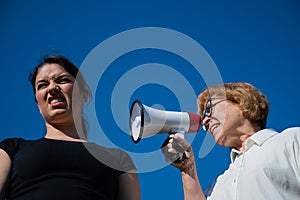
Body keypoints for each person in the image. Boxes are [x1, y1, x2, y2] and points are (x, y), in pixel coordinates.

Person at [0, 55, 141, 200]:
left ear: (84, 94)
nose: (52, 88)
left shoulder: (118, 159)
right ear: (38, 105)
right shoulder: (11, 149)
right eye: (42, 85)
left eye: (63, 80)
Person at [162, 82, 300, 200]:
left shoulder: (291, 140)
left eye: (209, 109)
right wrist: (188, 169)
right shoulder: (219, 184)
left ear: (241, 102)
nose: (205, 121)